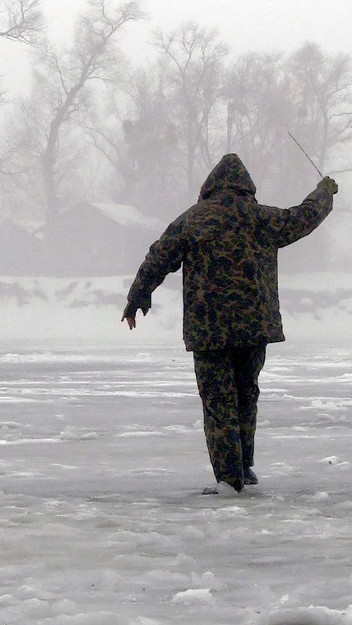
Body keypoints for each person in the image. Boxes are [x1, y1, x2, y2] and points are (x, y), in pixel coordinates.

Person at [121, 153, 337, 494]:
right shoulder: (261, 217)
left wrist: (137, 298)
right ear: (246, 186)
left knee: (218, 402)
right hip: (255, 328)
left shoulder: (193, 220)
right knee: (245, 395)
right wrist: (324, 193)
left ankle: (229, 477)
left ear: (210, 185)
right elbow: (304, 217)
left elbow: (158, 256)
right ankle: (244, 466)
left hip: (209, 331)